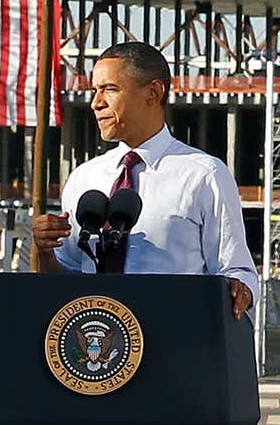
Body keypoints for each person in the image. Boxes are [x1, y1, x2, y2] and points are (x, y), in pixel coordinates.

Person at [32, 41, 258, 319]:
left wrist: (241, 289)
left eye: (110, 89)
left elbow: (236, 270)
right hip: (99, 346)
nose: (96, 103)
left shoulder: (204, 175)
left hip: (176, 343)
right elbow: (65, 283)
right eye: (95, 90)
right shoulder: (83, 178)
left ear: (153, 93)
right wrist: (45, 251)